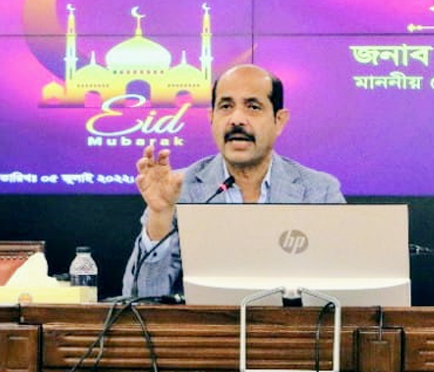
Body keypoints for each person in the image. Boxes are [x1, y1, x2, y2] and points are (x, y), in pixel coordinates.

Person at [121, 64, 344, 298]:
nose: (237, 119)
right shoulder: (179, 190)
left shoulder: (319, 191)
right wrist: (160, 215)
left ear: (279, 120)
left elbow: (341, 292)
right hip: (207, 321)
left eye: (253, 107)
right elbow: (141, 298)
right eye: (226, 106)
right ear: (212, 118)